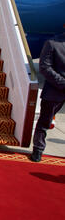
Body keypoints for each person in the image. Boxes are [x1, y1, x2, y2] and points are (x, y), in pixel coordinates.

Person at [30, 26, 65, 162]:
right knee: (45, 122)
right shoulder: (52, 43)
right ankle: (38, 150)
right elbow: (45, 67)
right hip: (55, 91)